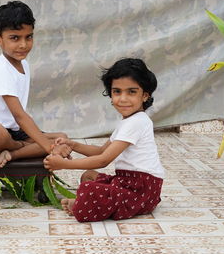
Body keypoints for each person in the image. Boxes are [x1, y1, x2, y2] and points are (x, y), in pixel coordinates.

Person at [44, 58, 164, 222]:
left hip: (142, 189)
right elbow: (101, 151)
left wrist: (64, 165)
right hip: (127, 182)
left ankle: (82, 204)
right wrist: (73, 144)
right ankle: (89, 201)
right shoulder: (128, 121)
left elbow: (103, 160)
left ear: (144, 96)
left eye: (131, 92)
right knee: (89, 176)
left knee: (89, 189)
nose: (123, 98)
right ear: (110, 94)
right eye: (117, 92)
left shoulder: (138, 121)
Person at [0, 0, 71, 168]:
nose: (23, 45)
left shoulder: (23, 63)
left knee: (62, 137)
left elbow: (18, 122)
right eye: (15, 38)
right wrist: (49, 148)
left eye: (28, 37)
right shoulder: (1, 69)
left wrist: (51, 144)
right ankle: (21, 148)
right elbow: (19, 115)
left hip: (15, 132)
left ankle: (12, 153)